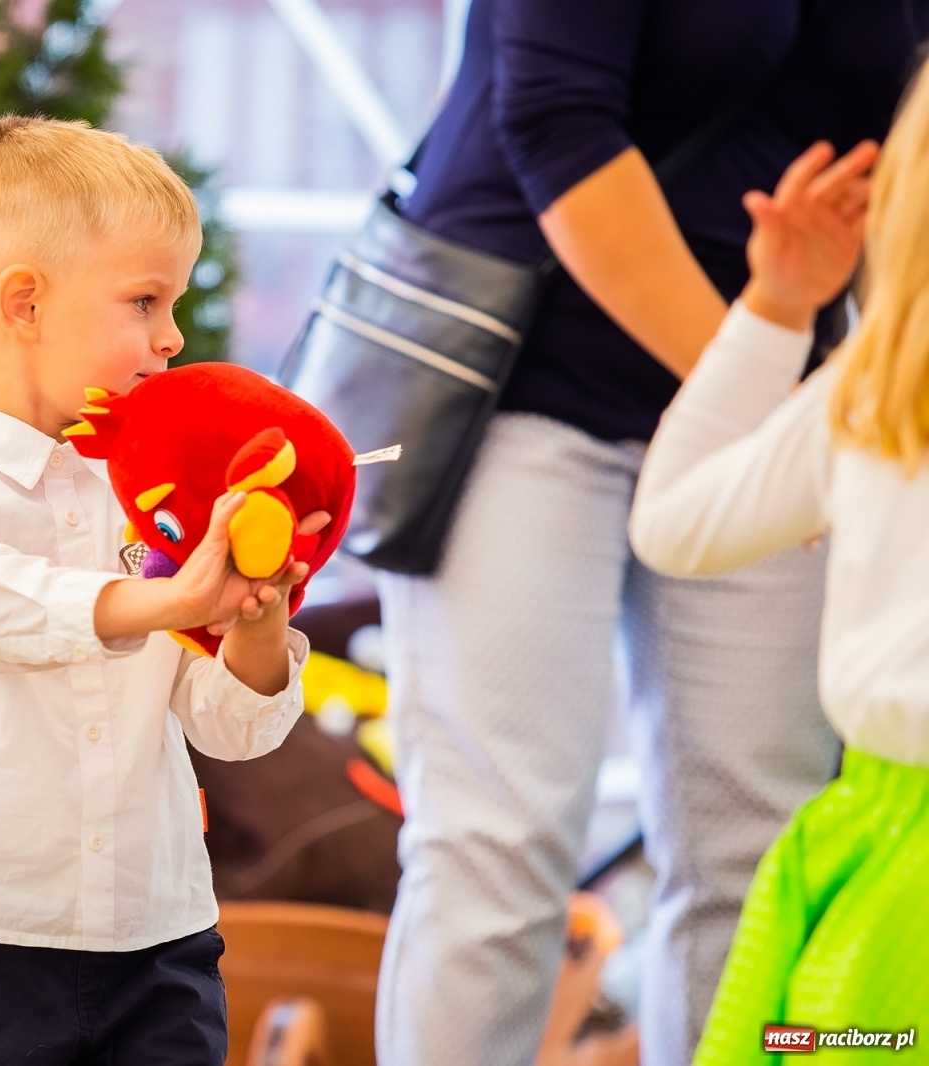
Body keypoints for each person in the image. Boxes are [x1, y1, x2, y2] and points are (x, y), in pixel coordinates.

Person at [370, 1, 929, 1063]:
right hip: (528, 386)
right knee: (499, 845)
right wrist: (790, 415)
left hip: (780, 367)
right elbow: (556, 122)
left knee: (752, 845)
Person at [0, 116, 318, 1065]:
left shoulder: (158, 510)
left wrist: (257, 624)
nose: (173, 335)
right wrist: (166, 601)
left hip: (160, 948)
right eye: (145, 301)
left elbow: (232, 725)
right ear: (25, 304)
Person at [630, 66, 929, 1061]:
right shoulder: (876, 385)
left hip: (882, 862)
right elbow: (674, 525)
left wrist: (774, 305)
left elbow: (673, 519)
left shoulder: (877, 385)